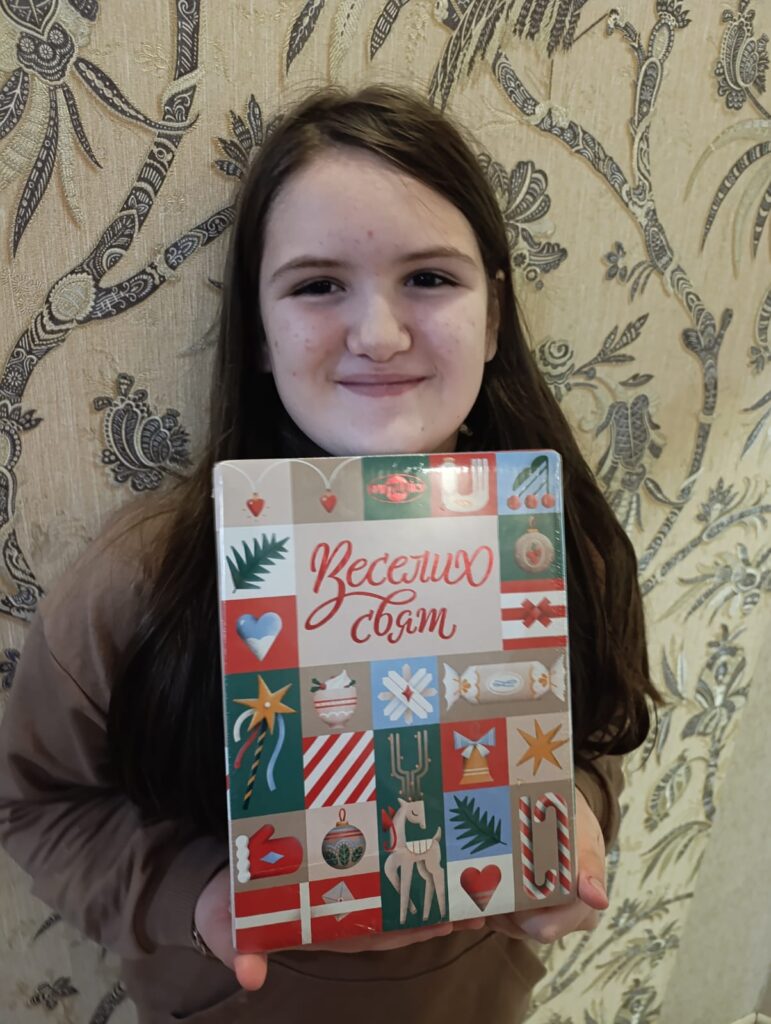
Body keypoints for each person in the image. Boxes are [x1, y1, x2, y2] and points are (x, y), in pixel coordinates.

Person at [0, 84, 658, 1024]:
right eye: (316, 286)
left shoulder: (555, 546)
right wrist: (197, 897)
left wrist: (581, 813)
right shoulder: (142, 579)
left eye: (429, 278)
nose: (379, 336)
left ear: (494, 318)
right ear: (260, 335)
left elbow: (591, 737)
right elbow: (35, 803)